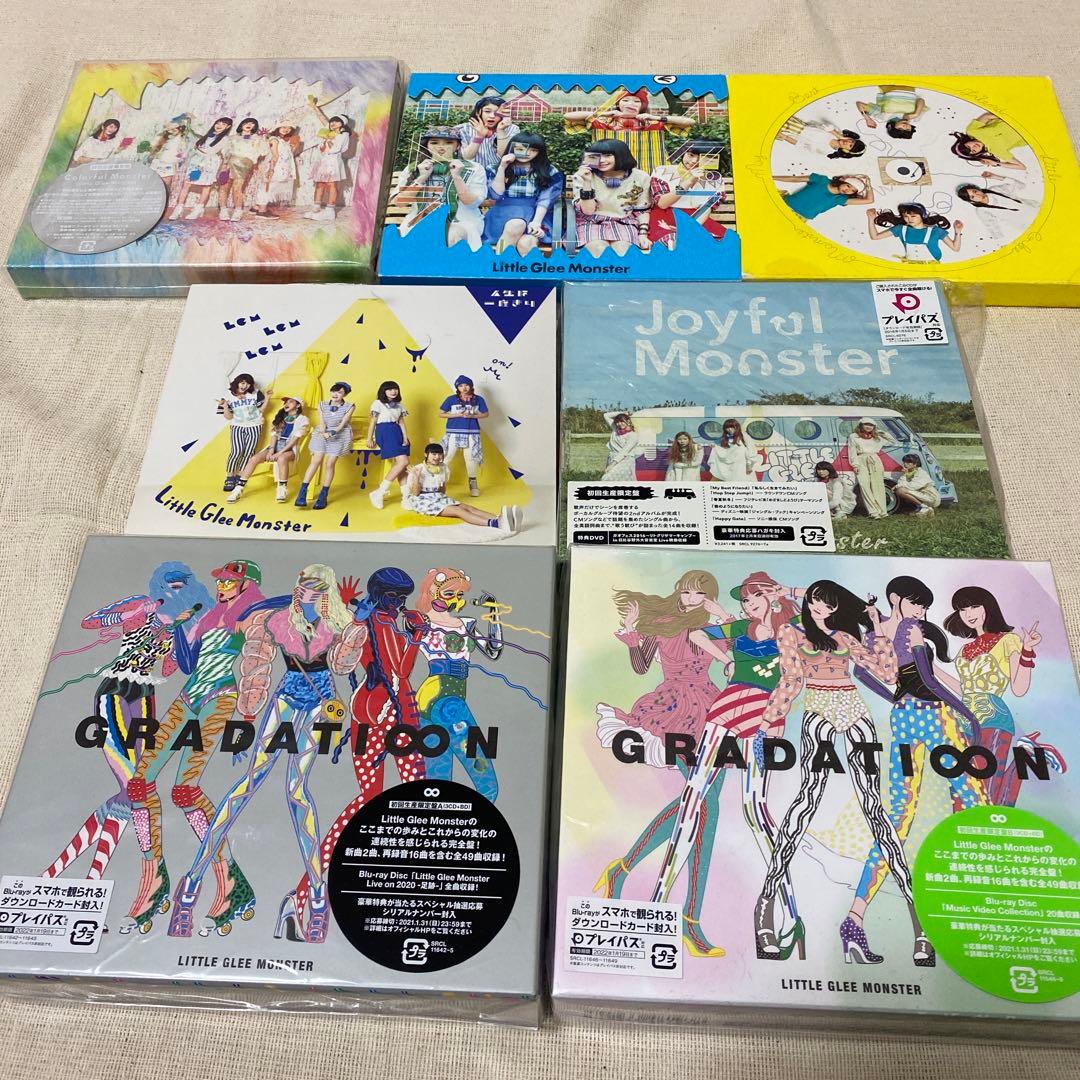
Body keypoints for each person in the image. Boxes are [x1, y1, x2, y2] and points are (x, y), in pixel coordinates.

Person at [167, 565, 368, 944]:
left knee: (297, 791)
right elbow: (257, 665)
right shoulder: (277, 620)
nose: (305, 593)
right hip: (287, 699)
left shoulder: (338, 624)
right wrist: (247, 713)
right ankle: (191, 885)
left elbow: (342, 666)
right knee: (249, 784)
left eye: (314, 587)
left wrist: (357, 626)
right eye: (302, 586)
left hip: (322, 703)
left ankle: (318, 896)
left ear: (325, 591)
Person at [752, 580, 934, 968]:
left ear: (836, 608)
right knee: (807, 801)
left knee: (876, 810)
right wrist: (768, 722)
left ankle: (920, 926)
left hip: (854, 709)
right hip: (818, 708)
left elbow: (888, 674)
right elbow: (791, 680)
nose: (820, 608)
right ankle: (765, 907)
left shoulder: (845, 637)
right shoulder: (792, 632)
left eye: (828, 604)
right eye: (815, 601)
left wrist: (877, 629)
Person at [647, 574, 806, 960]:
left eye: (754, 598)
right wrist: (728, 659)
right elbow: (698, 634)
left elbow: (815, 621)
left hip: (762, 718)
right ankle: (657, 905)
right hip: (726, 708)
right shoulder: (741, 628)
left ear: (770, 597)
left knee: (756, 811)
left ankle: (791, 914)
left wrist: (788, 592)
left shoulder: (790, 627)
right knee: (692, 798)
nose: (748, 604)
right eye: (745, 599)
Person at [122, 559, 265, 935]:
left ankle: (229, 881)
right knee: (139, 784)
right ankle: (153, 876)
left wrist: (247, 717)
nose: (222, 586)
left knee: (185, 790)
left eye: (230, 582)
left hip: (220, 698)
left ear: (246, 585)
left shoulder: (251, 616)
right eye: (221, 581)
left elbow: (256, 664)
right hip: (190, 695)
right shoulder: (208, 614)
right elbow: (188, 666)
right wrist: (181, 628)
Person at [845, 577, 984, 961]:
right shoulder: (909, 628)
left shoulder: (872, 638)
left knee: (898, 817)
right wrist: (966, 712)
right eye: (917, 603)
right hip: (935, 716)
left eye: (924, 607)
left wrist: (896, 696)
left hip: (903, 717)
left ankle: (855, 915)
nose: (921, 612)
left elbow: (865, 675)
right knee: (972, 799)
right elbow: (926, 677)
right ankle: (965, 910)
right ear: (896, 599)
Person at [593, 570, 728, 956]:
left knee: (704, 805)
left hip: (713, 705)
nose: (690, 599)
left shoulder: (716, 624)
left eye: (699, 593)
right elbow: (640, 666)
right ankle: (690, 921)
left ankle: (623, 871)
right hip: (675, 709)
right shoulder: (665, 622)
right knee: (705, 805)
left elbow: (738, 658)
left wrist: (722, 615)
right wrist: (631, 631)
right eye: (685, 591)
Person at [945, 586, 1043, 805]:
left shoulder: (1008, 640)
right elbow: (964, 689)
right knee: (962, 790)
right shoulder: (964, 650)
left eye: (974, 606)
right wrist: (932, 670)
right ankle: (1026, 751)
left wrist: (1027, 650)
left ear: (987, 607)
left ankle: (1026, 754)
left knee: (986, 791)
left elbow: (1019, 688)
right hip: (962, 722)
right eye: (963, 609)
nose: (969, 614)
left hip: (993, 719)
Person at [393, 127, 487, 249]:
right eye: (434, 143)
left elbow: (472, 203)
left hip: (462, 222)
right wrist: (421, 178)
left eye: (448, 142)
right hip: (420, 221)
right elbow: (400, 203)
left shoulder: (474, 168)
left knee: (449, 236)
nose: (441, 147)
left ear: (458, 146)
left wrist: (457, 177)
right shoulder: (414, 168)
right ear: (427, 146)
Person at [564, 88, 693, 173]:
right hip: (609, 174)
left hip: (648, 172)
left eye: (636, 101)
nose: (630, 104)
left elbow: (689, 122)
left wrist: (656, 117)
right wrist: (604, 113)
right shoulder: (603, 122)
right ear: (618, 104)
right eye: (625, 100)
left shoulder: (654, 123)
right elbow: (568, 116)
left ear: (642, 106)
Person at [403, 443, 520, 534]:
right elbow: (415, 493)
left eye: (439, 454)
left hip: (438, 497)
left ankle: (501, 518)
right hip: (423, 500)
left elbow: (442, 491)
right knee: (458, 511)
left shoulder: (444, 468)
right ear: (426, 454)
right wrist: (416, 477)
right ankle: (495, 523)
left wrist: (441, 487)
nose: (437, 457)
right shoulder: (417, 469)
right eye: (433, 454)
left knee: (468, 507)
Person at [484, 133, 564, 255]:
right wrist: (502, 167)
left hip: (535, 215)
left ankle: (515, 265)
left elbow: (545, 200)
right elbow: (495, 195)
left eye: (533, 150)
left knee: (527, 242)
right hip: (501, 216)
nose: (527, 153)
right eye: (521, 149)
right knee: (516, 225)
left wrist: (536, 222)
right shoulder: (494, 168)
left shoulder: (548, 171)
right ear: (512, 148)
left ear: (540, 152)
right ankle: (500, 262)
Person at [572, 140, 653, 257]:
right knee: (597, 247)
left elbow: (642, 210)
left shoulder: (641, 177)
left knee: (623, 249)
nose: (602, 160)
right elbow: (588, 211)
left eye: (607, 155)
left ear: (621, 155)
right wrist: (587, 182)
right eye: (597, 156)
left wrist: (643, 234)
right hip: (590, 222)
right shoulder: (583, 176)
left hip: (625, 222)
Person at [227, 395, 309, 504]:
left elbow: (294, 440)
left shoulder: (303, 420)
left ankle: (282, 489)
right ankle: (238, 489)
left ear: (298, 405)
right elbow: (274, 435)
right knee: (254, 459)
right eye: (285, 402)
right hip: (274, 446)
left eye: (290, 402)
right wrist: (271, 450)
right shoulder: (281, 417)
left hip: (289, 448)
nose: (286, 404)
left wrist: (279, 453)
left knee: (281, 458)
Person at [648, 141, 728, 248]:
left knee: (721, 243)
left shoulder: (714, 179)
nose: (694, 161)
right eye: (691, 155)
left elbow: (705, 209)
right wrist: (688, 182)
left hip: (696, 219)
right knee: (671, 240)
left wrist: (689, 229)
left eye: (701, 158)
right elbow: (662, 204)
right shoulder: (662, 171)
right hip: (663, 216)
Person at [295, 382, 353, 510]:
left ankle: (323, 494)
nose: (335, 394)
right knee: (316, 461)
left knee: (330, 463)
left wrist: (331, 433)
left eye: (339, 392)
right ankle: (302, 492)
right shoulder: (322, 404)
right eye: (334, 391)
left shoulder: (349, 407)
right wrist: (323, 432)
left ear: (345, 394)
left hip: (339, 434)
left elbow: (342, 424)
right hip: (322, 432)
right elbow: (322, 422)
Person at [170, 118, 232, 221]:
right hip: (196, 160)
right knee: (187, 184)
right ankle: (178, 208)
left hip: (210, 162)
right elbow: (195, 130)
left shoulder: (225, 139)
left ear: (228, 127)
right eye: (218, 123)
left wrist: (224, 167)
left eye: (223, 124)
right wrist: (189, 119)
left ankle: (198, 209)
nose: (219, 125)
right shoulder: (207, 133)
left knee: (206, 186)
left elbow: (226, 154)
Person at [219, 373, 269, 493]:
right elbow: (228, 417)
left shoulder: (256, 393)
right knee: (236, 452)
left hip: (255, 426)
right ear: (237, 382)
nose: (245, 386)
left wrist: (267, 398)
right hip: (237, 427)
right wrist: (225, 406)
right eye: (242, 383)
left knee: (248, 453)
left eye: (248, 384)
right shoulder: (228, 395)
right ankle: (230, 477)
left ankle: (239, 476)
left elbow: (261, 410)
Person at [956, 172, 1040, 241]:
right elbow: (992, 227)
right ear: (971, 201)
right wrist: (1002, 242)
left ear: (978, 189)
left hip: (1035, 208)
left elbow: (1020, 185)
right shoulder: (981, 210)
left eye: (975, 191)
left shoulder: (994, 190)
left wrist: (995, 176)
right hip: (1027, 225)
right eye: (972, 197)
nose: (977, 195)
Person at [440, 375, 488, 497]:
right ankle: (439, 483)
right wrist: (457, 415)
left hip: (472, 431)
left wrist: (472, 416)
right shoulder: (451, 399)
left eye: (466, 385)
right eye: (460, 386)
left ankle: (473, 484)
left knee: (470, 458)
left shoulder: (478, 399)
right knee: (447, 456)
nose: (464, 388)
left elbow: (486, 414)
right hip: (453, 431)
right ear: (457, 387)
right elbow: (441, 414)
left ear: (471, 386)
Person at [367, 380, 411, 509]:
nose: (393, 391)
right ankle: (380, 492)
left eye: (395, 389)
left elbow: (401, 422)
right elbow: (373, 422)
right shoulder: (377, 403)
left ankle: (406, 497)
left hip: (397, 432)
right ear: (384, 391)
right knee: (403, 461)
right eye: (390, 389)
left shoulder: (399, 405)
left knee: (402, 465)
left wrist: (405, 437)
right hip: (384, 431)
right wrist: (369, 438)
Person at [866, 204, 962, 262]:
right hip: (911, 266)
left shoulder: (935, 230)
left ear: (922, 216)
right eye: (906, 216)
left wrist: (957, 232)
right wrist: (871, 219)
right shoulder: (900, 229)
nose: (909, 219)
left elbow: (955, 248)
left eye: (913, 216)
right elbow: (875, 237)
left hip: (933, 268)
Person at [306, 97, 350, 220]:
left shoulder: (343, 135)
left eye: (336, 122)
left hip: (333, 161)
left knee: (331, 185)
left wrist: (328, 140)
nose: (332, 123)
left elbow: (336, 148)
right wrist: (314, 107)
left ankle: (330, 211)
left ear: (342, 124)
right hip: (323, 160)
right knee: (319, 184)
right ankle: (316, 208)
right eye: (332, 121)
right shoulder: (328, 131)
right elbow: (322, 118)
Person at [451, 95, 519, 173]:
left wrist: (501, 131)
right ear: (478, 112)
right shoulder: (463, 129)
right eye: (487, 111)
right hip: (472, 174)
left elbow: (505, 156)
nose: (492, 116)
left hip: (500, 173)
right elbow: (467, 157)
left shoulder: (512, 129)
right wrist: (479, 136)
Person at [220, 117, 267, 221]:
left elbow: (263, 152)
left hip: (244, 164)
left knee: (237, 188)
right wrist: (224, 165)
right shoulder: (232, 138)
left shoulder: (257, 139)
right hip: (229, 163)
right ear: (241, 124)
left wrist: (263, 138)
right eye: (246, 122)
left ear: (255, 127)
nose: (249, 124)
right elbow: (226, 152)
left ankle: (238, 210)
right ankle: (223, 210)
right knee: (224, 187)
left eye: (252, 123)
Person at [774, 173, 872, 219]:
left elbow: (869, 200)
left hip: (799, 219)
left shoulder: (840, 199)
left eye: (852, 191)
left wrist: (868, 183)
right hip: (784, 205)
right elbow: (795, 179)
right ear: (843, 181)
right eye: (848, 186)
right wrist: (772, 177)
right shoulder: (822, 180)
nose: (848, 190)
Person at [254, 123, 301, 215]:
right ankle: (262, 211)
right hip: (275, 167)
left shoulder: (282, 141)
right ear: (278, 128)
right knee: (268, 187)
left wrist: (295, 146)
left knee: (271, 186)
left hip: (282, 168)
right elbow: (275, 156)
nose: (286, 130)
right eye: (284, 127)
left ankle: (256, 207)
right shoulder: (274, 139)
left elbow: (288, 155)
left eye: (289, 128)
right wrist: (271, 169)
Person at [950, 114, 1028, 170]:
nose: (974, 147)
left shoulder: (971, 131)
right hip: (1027, 131)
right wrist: (996, 163)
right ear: (977, 153)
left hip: (1016, 115)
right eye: (973, 151)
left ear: (965, 142)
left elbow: (986, 116)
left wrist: (1010, 117)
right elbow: (1022, 167)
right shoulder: (996, 151)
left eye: (968, 146)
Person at [147, 115, 194, 205]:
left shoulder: (182, 140)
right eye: (170, 130)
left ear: (180, 129)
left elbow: (183, 154)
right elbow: (155, 150)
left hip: (169, 164)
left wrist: (176, 159)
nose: (172, 131)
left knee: (165, 185)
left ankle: (162, 203)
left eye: (174, 129)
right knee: (153, 183)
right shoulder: (164, 139)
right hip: (157, 163)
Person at [847, 418, 889, 519]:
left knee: (878, 486)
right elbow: (852, 451)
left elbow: (891, 441)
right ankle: (873, 512)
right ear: (861, 425)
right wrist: (855, 465)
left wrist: (882, 432)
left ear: (874, 427)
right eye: (866, 424)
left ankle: (882, 511)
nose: (868, 427)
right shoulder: (854, 436)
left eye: (871, 425)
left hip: (874, 460)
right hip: (861, 460)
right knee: (864, 486)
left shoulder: (877, 437)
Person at [855, 86, 927, 138]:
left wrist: (867, 119)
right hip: (908, 84)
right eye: (908, 129)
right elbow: (921, 100)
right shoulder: (915, 118)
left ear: (892, 127)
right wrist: (916, 114)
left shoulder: (884, 116)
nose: (905, 126)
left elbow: (859, 104)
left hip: (888, 84)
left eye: (900, 128)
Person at [776, 118, 866, 159]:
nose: (848, 142)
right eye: (851, 141)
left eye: (850, 146)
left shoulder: (826, 150)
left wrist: (784, 137)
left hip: (790, 134)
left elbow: (800, 144)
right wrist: (839, 136)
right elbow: (823, 125)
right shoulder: (835, 131)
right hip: (796, 123)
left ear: (847, 150)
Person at [706, 418, 757, 483]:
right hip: (732, 467)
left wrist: (748, 464)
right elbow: (725, 453)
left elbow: (750, 450)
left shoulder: (743, 436)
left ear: (737, 427)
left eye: (732, 427)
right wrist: (715, 448)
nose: (730, 429)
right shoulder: (725, 439)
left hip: (742, 466)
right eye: (727, 428)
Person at [601, 413, 639, 480]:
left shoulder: (633, 435)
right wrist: (625, 413)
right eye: (617, 422)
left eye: (622, 421)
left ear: (628, 421)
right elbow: (606, 415)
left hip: (626, 460)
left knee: (607, 478)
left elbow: (624, 452)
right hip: (612, 457)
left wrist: (612, 465)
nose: (619, 424)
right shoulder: (615, 429)